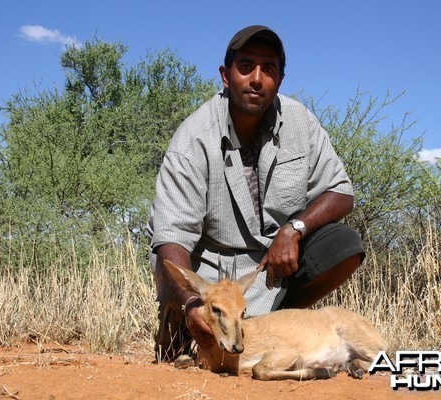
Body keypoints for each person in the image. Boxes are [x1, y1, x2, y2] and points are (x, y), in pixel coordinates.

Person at [147, 25, 365, 361]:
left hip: (271, 265)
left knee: (344, 245)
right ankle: (184, 322)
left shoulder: (300, 121)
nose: (257, 78)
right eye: (246, 66)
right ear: (225, 75)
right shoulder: (193, 138)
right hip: (211, 271)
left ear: (280, 78)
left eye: (269, 69)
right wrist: (192, 300)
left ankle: (275, 323)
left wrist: (295, 229)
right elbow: (170, 236)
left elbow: (341, 192)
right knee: (176, 270)